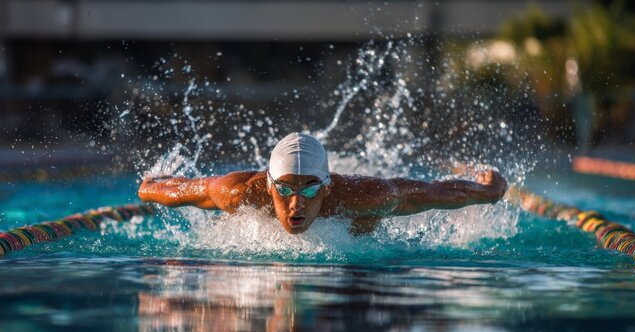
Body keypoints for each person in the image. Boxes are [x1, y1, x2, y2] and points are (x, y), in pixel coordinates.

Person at [138, 133, 507, 234]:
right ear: (268, 186)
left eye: (310, 188)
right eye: (284, 189)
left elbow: (430, 192)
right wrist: (150, 184)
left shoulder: (364, 195)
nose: (296, 201)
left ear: (327, 187)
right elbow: (173, 189)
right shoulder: (238, 192)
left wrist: (486, 191)